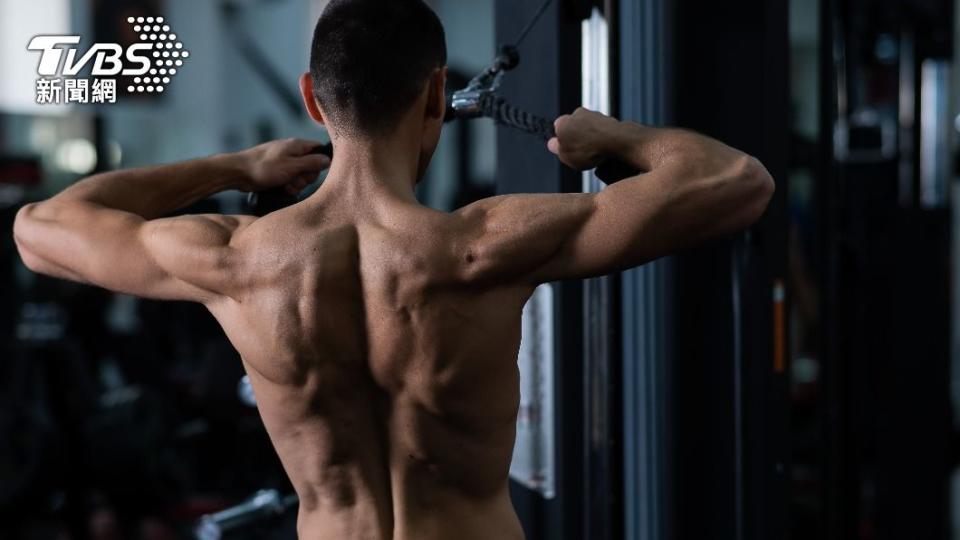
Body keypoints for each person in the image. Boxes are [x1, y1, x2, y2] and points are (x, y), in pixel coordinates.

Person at [13, 0, 774, 538]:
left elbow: (40, 230)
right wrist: (613, 135)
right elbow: (737, 182)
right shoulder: (485, 244)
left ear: (313, 99)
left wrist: (231, 164)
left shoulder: (237, 259)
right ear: (438, 92)